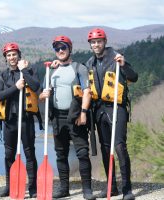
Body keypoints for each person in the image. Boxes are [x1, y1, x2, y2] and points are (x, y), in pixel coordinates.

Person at [39, 36, 96, 199]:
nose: (60, 51)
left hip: (76, 115)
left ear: (69, 49)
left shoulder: (79, 68)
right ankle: (64, 188)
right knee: (61, 154)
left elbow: (87, 91)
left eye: (63, 47)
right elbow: (43, 95)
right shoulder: (51, 70)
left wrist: (84, 112)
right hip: (57, 117)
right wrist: (44, 95)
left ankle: (87, 190)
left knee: (82, 152)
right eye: (57, 49)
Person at [85, 28, 138, 200]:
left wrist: (124, 64)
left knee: (120, 147)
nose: (96, 44)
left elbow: (134, 77)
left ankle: (127, 189)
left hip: (116, 108)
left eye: (99, 41)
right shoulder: (90, 62)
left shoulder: (116, 58)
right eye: (93, 42)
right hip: (99, 109)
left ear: (104, 42)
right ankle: (111, 187)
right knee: (106, 148)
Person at [0, 42, 40, 198]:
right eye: (9, 55)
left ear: (19, 56)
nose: (12, 57)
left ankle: (33, 188)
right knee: (9, 155)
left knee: (29, 154)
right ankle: (10, 186)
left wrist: (24, 71)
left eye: (14, 54)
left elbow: (35, 86)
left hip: (26, 120)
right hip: (9, 121)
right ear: (6, 58)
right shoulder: (2, 75)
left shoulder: (29, 71)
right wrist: (16, 87)